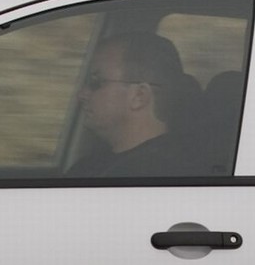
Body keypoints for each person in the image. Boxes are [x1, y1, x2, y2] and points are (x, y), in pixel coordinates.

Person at [68, 31, 204, 178]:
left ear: (139, 96)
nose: (81, 95)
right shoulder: (93, 165)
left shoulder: (157, 174)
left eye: (96, 82)